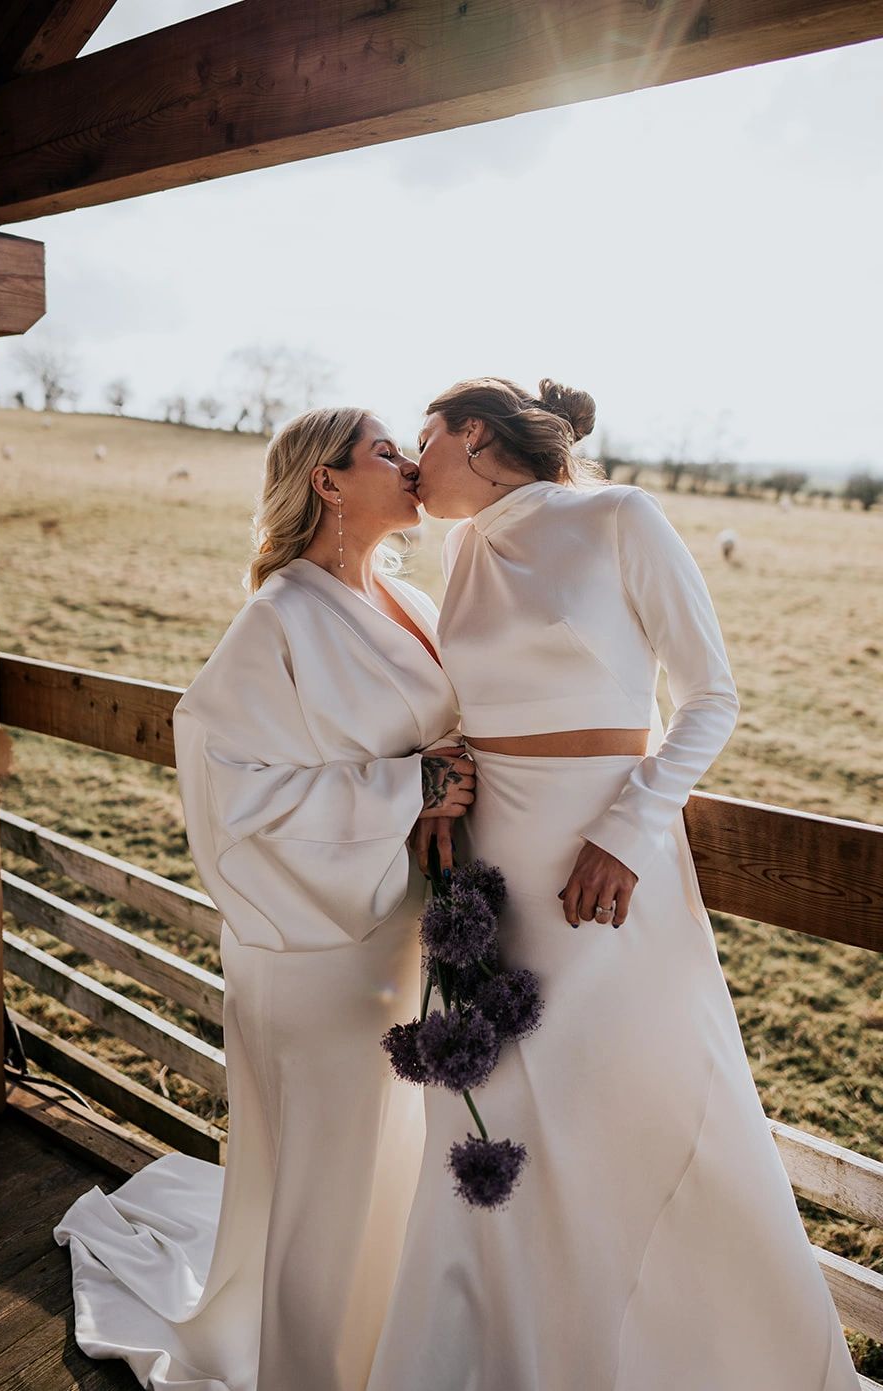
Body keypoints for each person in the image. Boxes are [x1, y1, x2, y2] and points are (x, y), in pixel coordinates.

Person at [367, 377, 860, 1391]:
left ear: (474, 432)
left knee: (634, 1094)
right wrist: (445, 780)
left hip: (606, 860)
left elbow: (711, 696)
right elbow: (477, 700)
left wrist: (628, 830)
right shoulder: (464, 549)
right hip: (492, 863)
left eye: (425, 438)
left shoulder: (620, 517)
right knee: (499, 1103)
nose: (413, 463)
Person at [54, 406, 471, 1391]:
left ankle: (385, 1349)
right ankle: (310, 1366)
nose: (409, 464)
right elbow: (231, 786)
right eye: (384, 452)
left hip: (398, 922)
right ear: (327, 481)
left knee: (388, 1154)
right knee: (328, 1170)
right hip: (313, 940)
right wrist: (408, 786)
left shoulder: (409, 599)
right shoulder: (278, 616)